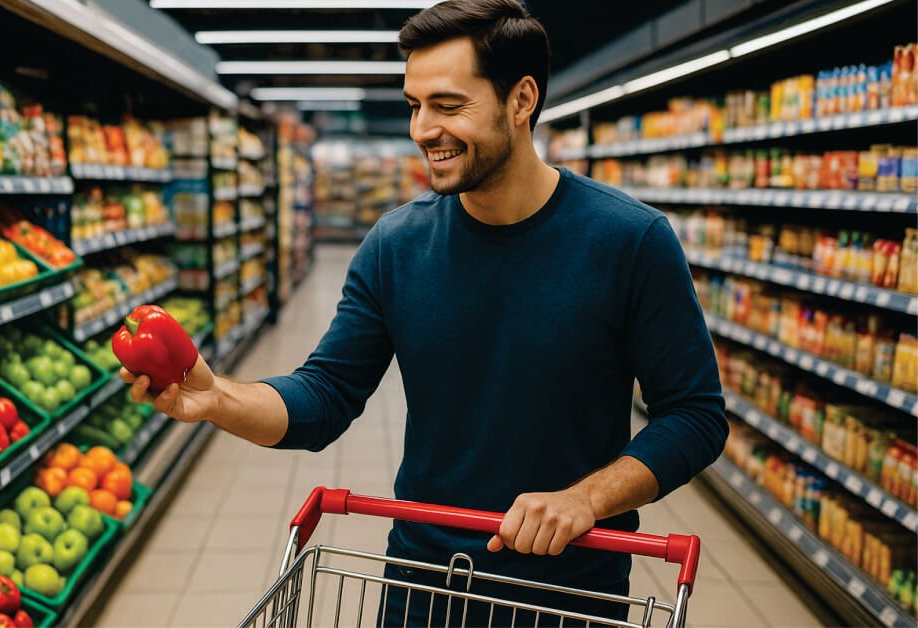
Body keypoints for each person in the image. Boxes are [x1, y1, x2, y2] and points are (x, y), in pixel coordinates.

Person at [121, 0, 727, 625]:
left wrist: (585, 498)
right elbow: (325, 394)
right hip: (424, 583)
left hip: (572, 590)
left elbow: (695, 416)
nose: (421, 129)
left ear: (521, 101)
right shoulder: (396, 245)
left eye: (448, 105)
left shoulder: (630, 240)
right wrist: (218, 397)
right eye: (415, 105)